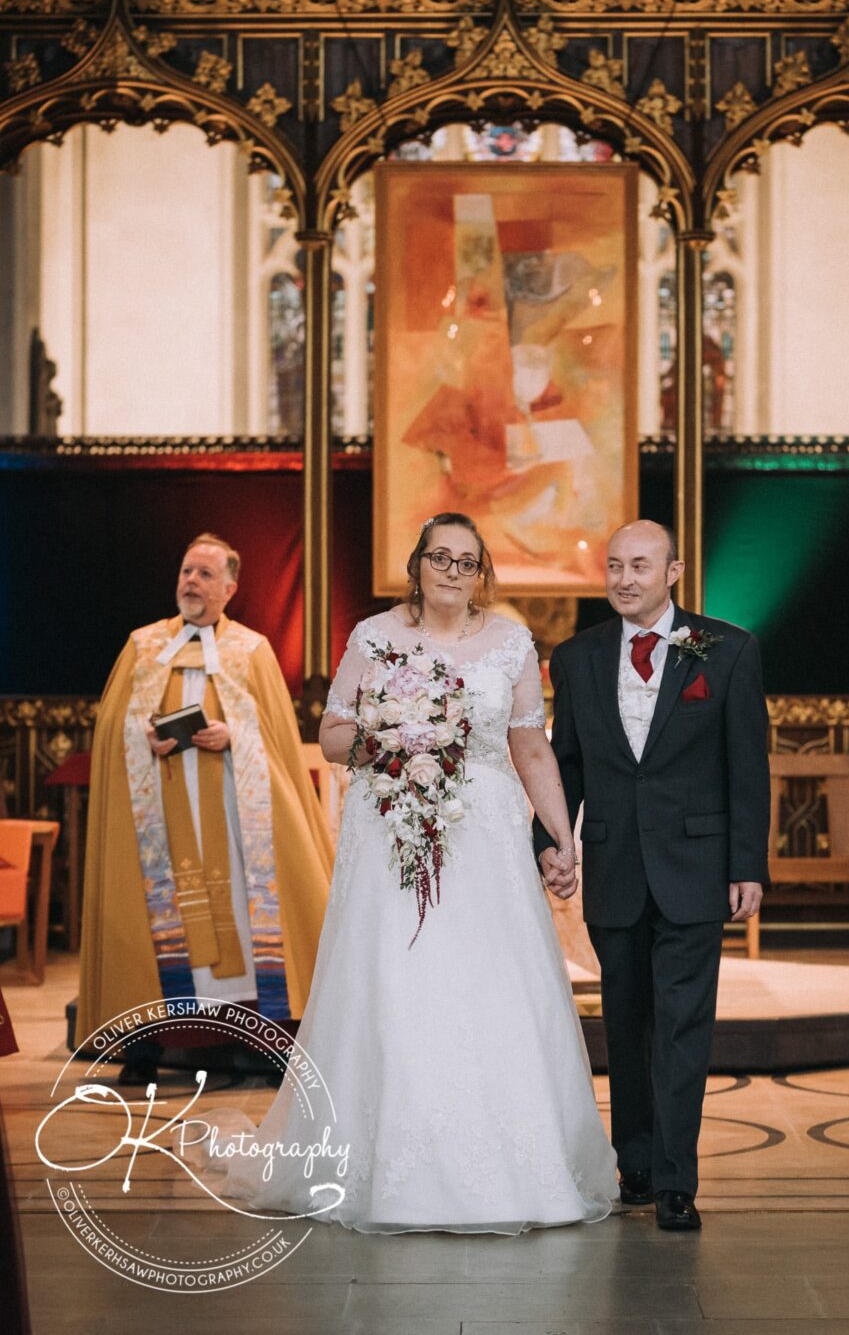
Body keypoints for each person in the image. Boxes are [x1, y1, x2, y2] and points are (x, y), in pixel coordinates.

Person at [217, 512, 618, 1234]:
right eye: (440, 557)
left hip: (486, 840)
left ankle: (511, 1166)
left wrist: (561, 837)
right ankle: (385, 1163)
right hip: (392, 833)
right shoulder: (373, 637)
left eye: (467, 562)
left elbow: (528, 745)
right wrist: (394, 738)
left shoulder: (512, 644)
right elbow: (333, 736)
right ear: (417, 563)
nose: (452, 572)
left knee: (488, 985)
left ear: (482, 574)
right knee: (396, 981)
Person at [534, 519, 770, 1231]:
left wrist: (746, 864)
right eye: (613, 566)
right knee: (627, 1022)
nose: (623, 578)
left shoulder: (722, 649)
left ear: (673, 572)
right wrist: (549, 841)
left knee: (681, 1025)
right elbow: (566, 760)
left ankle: (674, 1179)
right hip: (615, 866)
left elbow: (746, 764)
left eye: (639, 565)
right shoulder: (577, 657)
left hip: (698, 869)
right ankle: (632, 1162)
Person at [77, 534, 335, 1076]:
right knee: (156, 918)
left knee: (245, 919)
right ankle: (146, 1045)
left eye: (204, 574)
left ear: (230, 588)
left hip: (237, 820)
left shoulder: (252, 649)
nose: (191, 582)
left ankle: (261, 1040)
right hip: (162, 815)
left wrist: (232, 734)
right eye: (186, 571)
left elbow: (276, 738)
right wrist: (142, 736)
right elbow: (113, 728)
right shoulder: (143, 645)